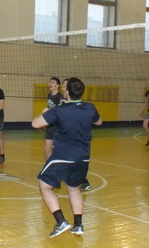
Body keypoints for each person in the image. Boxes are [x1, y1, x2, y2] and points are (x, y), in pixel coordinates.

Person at [32, 77, 102, 238]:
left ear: (67, 92)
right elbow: (99, 122)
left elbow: (35, 124)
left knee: (44, 186)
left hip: (63, 156)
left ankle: (61, 221)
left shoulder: (59, 110)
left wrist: (45, 112)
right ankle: (78, 225)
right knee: (74, 188)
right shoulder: (90, 107)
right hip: (83, 156)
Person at [60, 78, 92, 191]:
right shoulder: (61, 102)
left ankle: (83, 181)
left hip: (75, 140)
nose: (64, 88)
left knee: (75, 160)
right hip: (63, 137)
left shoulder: (77, 105)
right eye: (63, 86)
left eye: (66, 86)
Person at [40, 77, 64, 160]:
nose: (50, 84)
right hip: (50, 125)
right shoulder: (49, 95)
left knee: (57, 148)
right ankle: (49, 165)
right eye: (49, 82)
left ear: (57, 86)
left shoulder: (60, 97)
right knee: (47, 147)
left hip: (58, 126)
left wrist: (49, 110)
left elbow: (60, 111)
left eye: (53, 82)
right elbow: (49, 107)